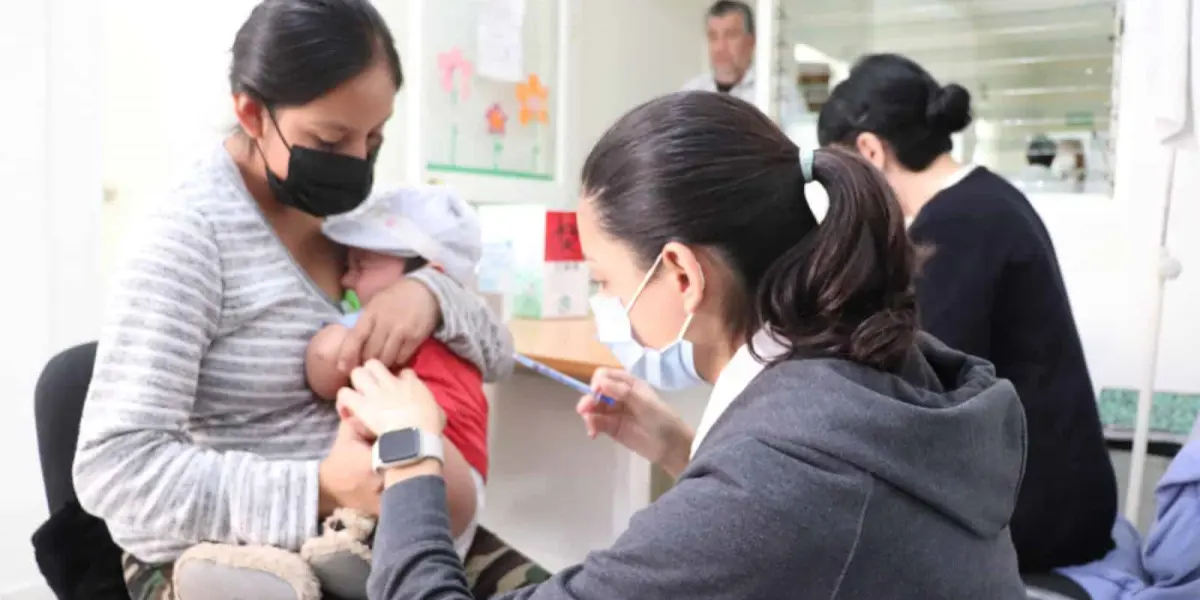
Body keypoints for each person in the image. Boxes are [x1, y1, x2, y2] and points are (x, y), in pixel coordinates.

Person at [337, 90, 1029, 599]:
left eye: (606, 282)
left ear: (680, 274)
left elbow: (773, 510)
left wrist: (410, 450)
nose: (606, 307)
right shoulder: (887, 368)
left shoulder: (775, 487)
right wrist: (688, 450)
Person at [71, 1, 513, 599]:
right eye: (331, 138)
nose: (357, 163)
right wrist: (322, 487)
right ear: (252, 113)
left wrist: (430, 295)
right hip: (234, 551)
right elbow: (116, 471)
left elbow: (500, 353)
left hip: (388, 520)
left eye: (374, 138)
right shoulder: (188, 237)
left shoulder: (364, 220)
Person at [817, 52, 1118, 574]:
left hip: (1047, 513)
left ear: (870, 151)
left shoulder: (952, 229)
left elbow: (922, 388)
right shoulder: (990, 198)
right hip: (1072, 489)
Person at [307, 184, 489, 561]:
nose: (346, 280)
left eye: (362, 265)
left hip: (433, 464)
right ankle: (364, 559)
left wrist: (331, 342)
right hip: (458, 478)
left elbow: (325, 375)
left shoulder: (398, 318)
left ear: (428, 270)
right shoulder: (461, 321)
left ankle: (365, 560)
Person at [682, 1, 806, 126]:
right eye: (713, 37)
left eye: (730, 35)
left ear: (751, 40)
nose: (720, 48)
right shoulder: (691, 93)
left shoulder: (778, 93)